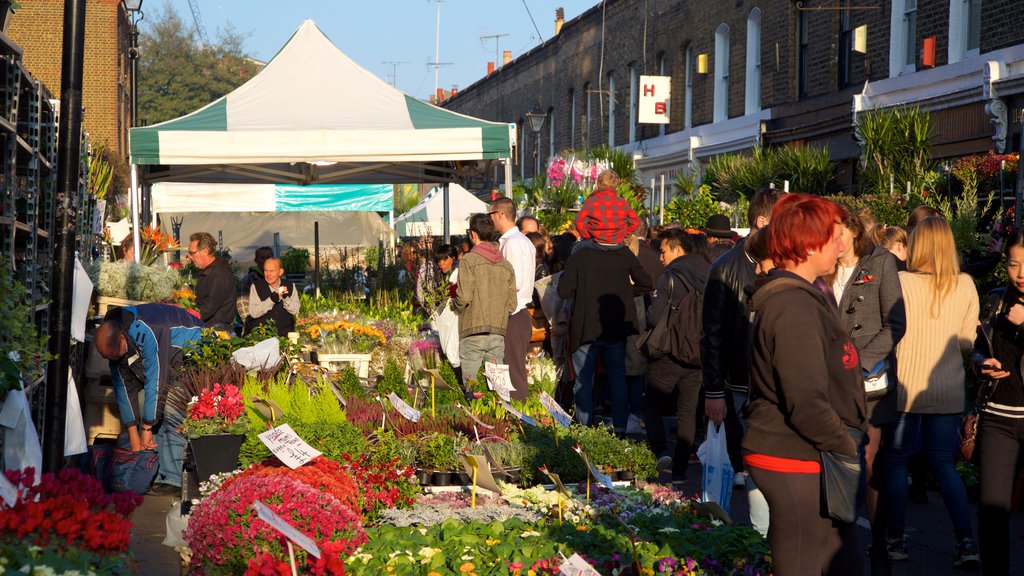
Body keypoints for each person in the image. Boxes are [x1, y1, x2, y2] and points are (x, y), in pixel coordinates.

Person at [743, 193, 866, 576]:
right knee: (802, 561)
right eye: (833, 236)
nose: (841, 244)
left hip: (805, 450)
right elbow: (805, 399)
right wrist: (843, 443)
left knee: (835, 556)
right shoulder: (792, 305)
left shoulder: (800, 295)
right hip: (794, 452)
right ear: (808, 243)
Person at [886, 216, 980, 569]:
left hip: (904, 389)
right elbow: (968, 343)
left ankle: (894, 540)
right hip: (948, 389)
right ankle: (966, 541)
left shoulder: (900, 282)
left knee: (896, 464)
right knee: (944, 465)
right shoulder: (966, 284)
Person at [823, 206, 906, 573]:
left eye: (840, 233)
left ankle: (878, 545)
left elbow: (896, 323)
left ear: (854, 231)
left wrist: (859, 361)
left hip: (871, 381)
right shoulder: (822, 267)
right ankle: (843, 544)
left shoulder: (882, 262)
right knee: (841, 459)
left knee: (870, 460)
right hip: (830, 382)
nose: (835, 241)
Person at [701, 187, 782, 536]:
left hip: (776, 380)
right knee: (755, 461)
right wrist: (714, 389)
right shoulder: (725, 267)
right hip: (741, 381)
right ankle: (759, 536)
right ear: (762, 222)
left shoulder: (784, 261)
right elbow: (712, 333)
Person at [557, 195, 652, 433]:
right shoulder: (624, 254)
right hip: (615, 329)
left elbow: (563, 290)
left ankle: (583, 432)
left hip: (585, 327)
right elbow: (645, 283)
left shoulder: (579, 256)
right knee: (617, 379)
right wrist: (625, 293)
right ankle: (620, 429)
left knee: (583, 381)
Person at [93, 303, 205, 496]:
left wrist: (146, 428)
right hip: (169, 365)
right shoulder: (115, 340)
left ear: (122, 338)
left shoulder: (148, 329)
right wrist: (133, 433)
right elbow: (123, 388)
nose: (114, 360)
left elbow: (157, 380)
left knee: (170, 406)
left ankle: (171, 477)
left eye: (116, 355)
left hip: (193, 355)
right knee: (150, 407)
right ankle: (153, 468)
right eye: (109, 358)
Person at [972, 227, 1024, 576]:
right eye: (1013, 264)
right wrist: (980, 364)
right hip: (998, 419)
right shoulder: (995, 299)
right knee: (992, 514)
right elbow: (978, 347)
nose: (1020, 274)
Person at [643, 228, 710, 481]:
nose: (660, 258)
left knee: (652, 406)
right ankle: (680, 471)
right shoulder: (710, 272)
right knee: (688, 412)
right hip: (698, 355)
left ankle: (661, 451)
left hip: (669, 353)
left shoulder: (670, 276)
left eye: (663, 252)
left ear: (677, 249)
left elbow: (654, 317)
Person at [451, 214, 518, 390]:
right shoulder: (506, 264)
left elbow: (464, 297)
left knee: (471, 389)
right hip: (497, 332)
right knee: (498, 390)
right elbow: (512, 304)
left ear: (473, 234)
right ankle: (500, 418)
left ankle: (473, 417)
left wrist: (454, 306)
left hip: (472, 330)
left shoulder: (468, 260)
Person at [490, 196, 535, 401]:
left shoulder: (514, 243)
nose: (490, 219)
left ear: (500, 215)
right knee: (511, 367)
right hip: (516, 312)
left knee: (513, 371)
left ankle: (517, 418)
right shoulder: (520, 241)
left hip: (513, 313)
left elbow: (513, 281)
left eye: (491, 215)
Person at [189, 232, 238, 331]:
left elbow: (208, 307)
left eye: (192, 253)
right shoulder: (210, 271)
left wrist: (187, 318)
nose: (190, 257)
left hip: (216, 332)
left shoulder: (218, 274)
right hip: (209, 327)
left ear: (205, 251)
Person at [245, 257, 299, 337]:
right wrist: (271, 300)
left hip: (285, 336)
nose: (268, 274)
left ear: (280, 272)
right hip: (263, 337)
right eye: (266, 271)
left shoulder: (290, 285)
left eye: (272, 271)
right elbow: (253, 312)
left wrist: (286, 298)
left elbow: (295, 310)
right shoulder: (256, 287)